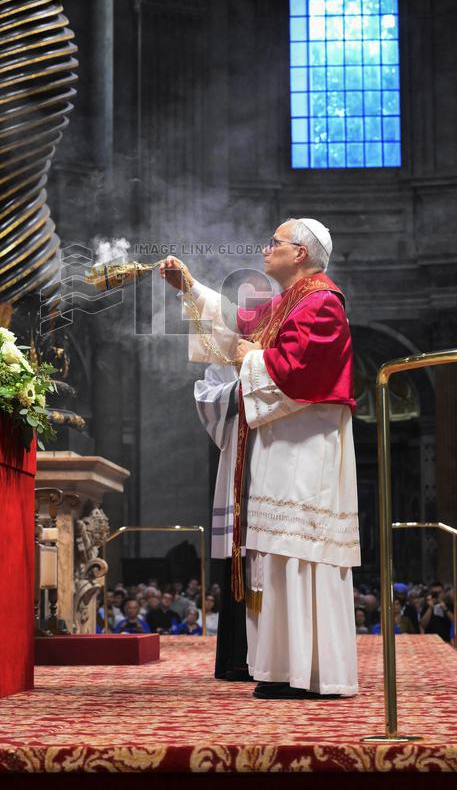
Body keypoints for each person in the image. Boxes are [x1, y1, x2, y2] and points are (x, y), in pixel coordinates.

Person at [161, 216, 361, 700]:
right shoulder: (287, 302)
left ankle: (314, 675)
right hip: (281, 446)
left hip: (305, 452)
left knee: (301, 553)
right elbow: (235, 327)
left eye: (276, 242)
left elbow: (300, 371)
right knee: (278, 555)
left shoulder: (321, 303)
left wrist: (252, 359)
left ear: (301, 254)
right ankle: (281, 670)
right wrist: (189, 287)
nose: (266, 248)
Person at [194, 361, 249, 679]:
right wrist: (247, 383)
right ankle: (236, 657)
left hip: (274, 457)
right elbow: (206, 400)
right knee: (238, 564)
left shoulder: (275, 346)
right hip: (237, 463)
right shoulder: (223, 363)